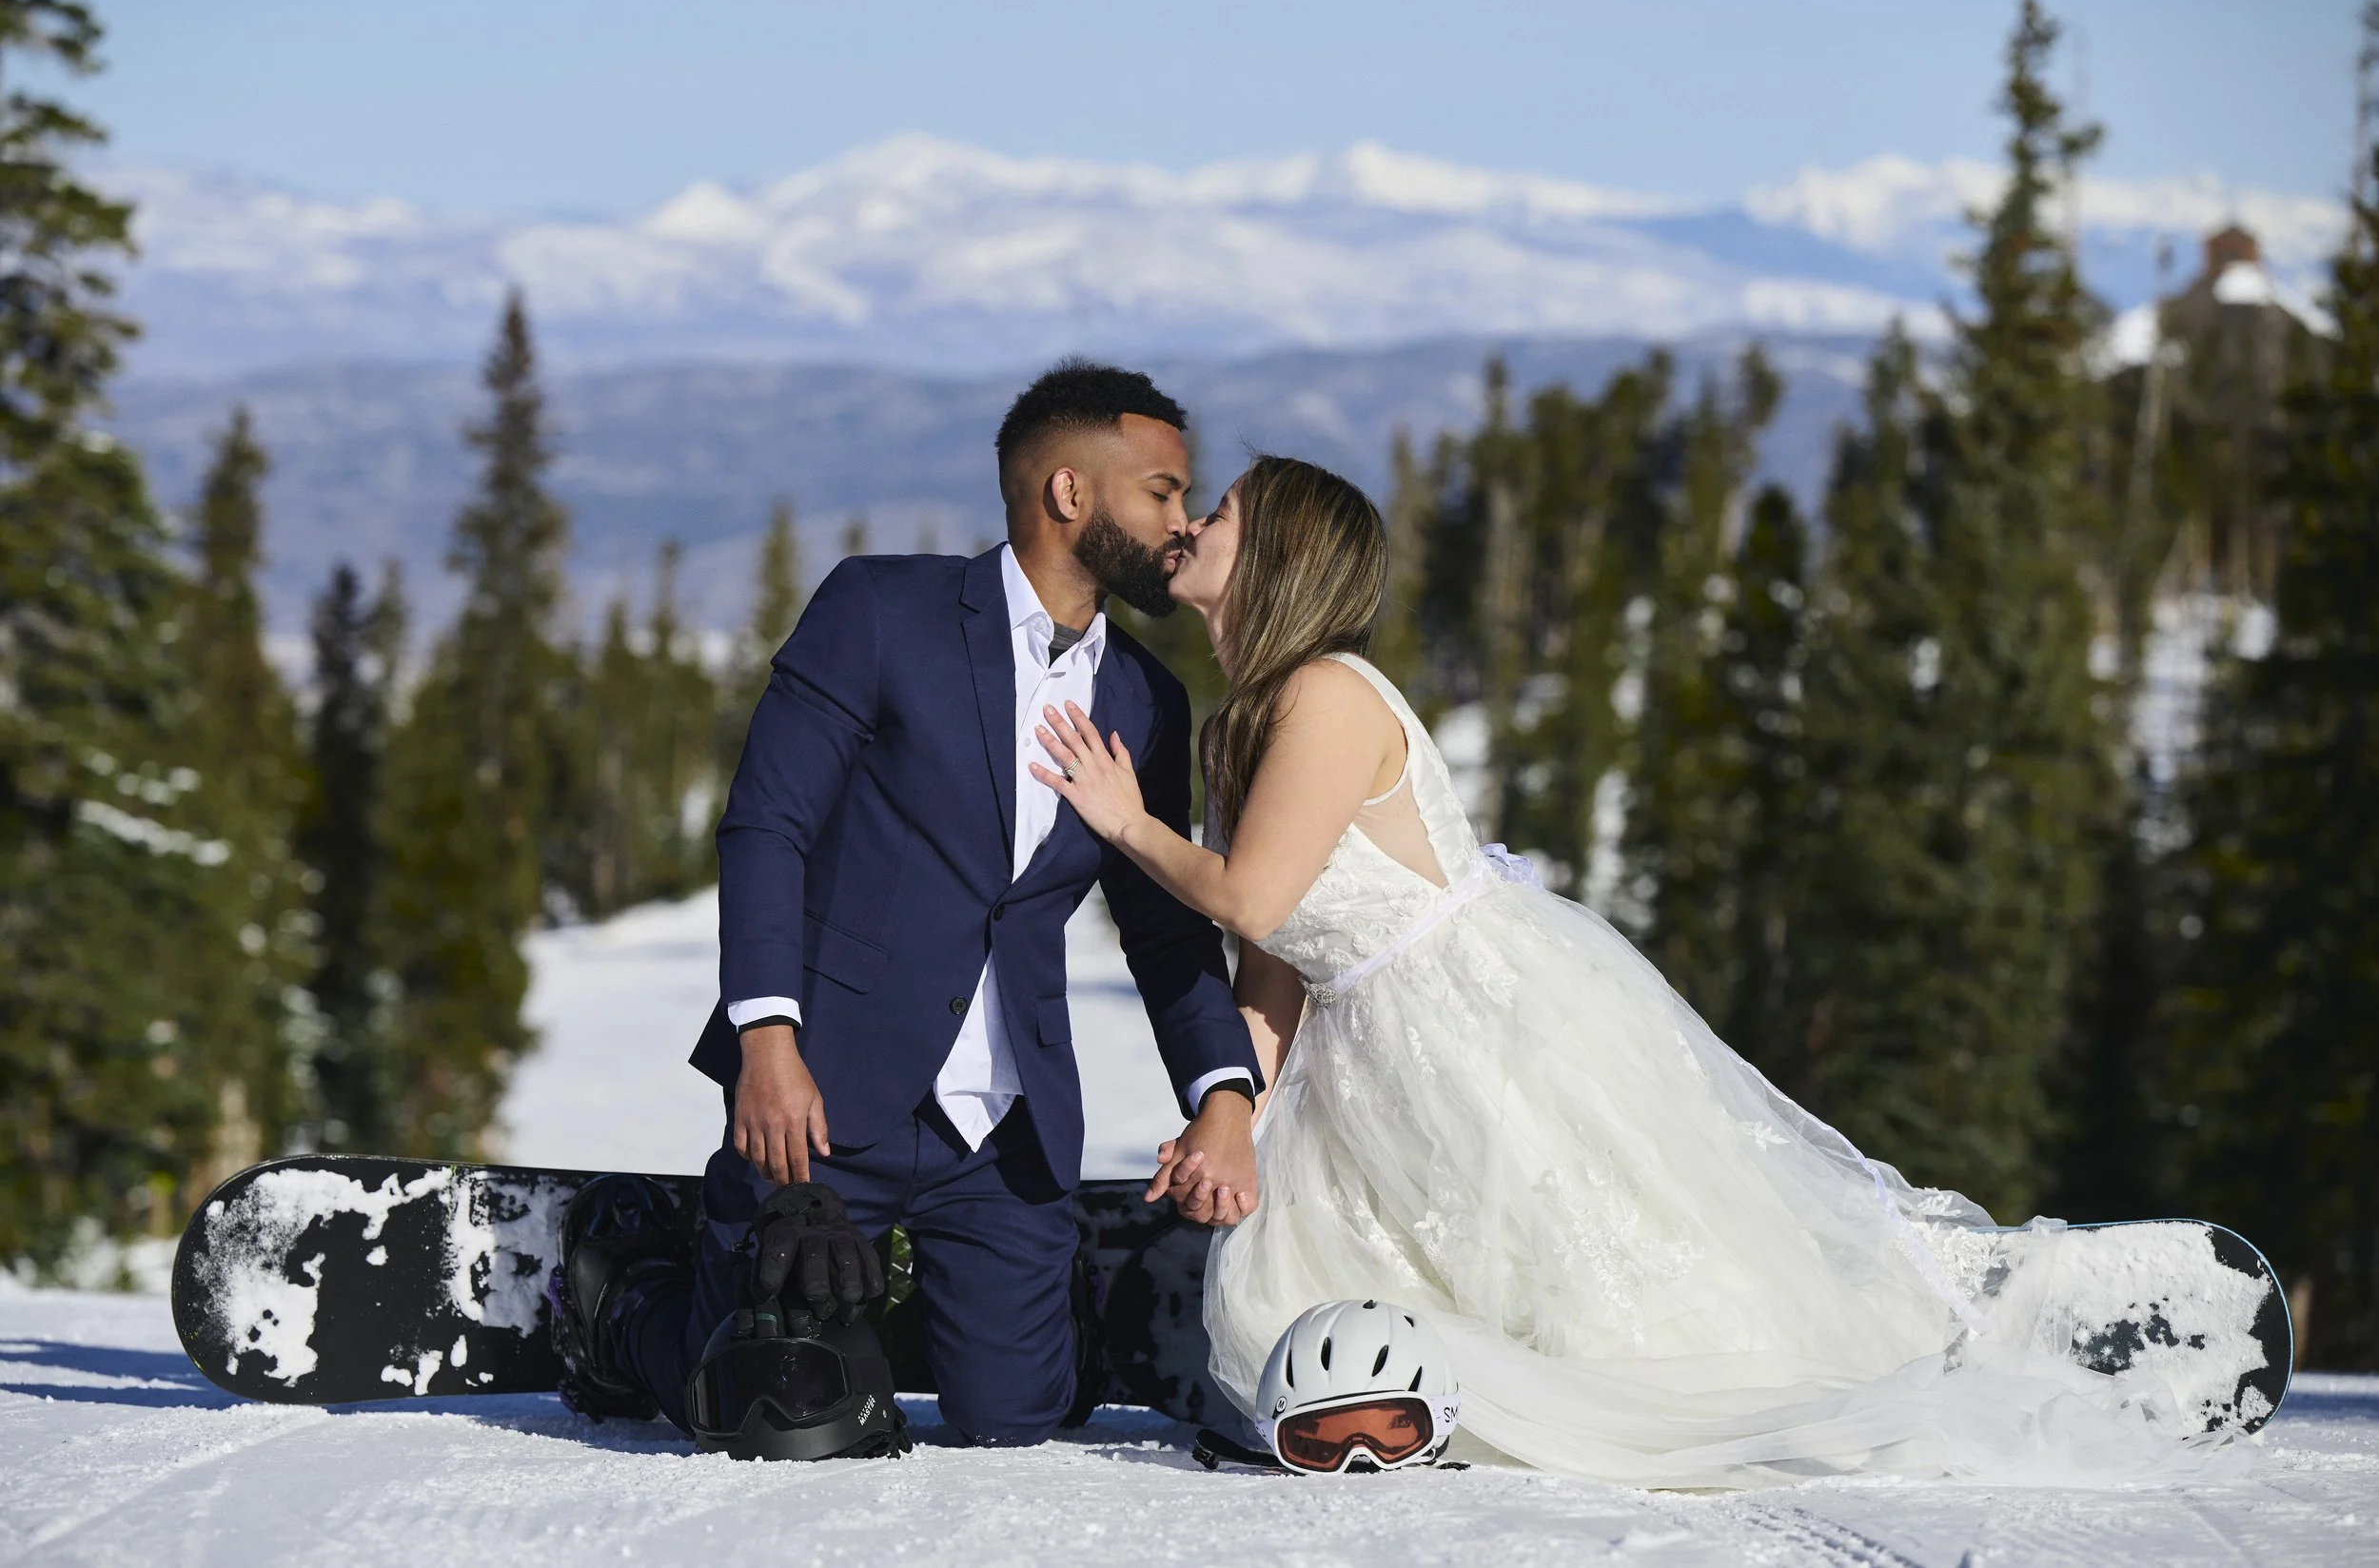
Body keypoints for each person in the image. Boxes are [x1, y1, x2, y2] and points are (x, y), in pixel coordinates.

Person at [1030, 454, 2247, 1487]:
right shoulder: (1251, 713)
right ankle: (1389, 1410)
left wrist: (1128, 824)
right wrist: (1235, 1106)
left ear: (1280, 553)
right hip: (1374, 1051)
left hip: (1476, 1021)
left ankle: (1992, 1328)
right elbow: (1277, 955)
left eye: (1225, 510)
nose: (1194, 523)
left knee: (1613, 1284)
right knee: (1356, 1276)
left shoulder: (1327, 694)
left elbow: (1249, 896)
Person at [552, 362, 1263, 1447]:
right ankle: (626, 1301)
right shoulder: (883, 611)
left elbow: (1163, 926)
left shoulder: (1146, 701)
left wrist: (1222, 1090)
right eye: (1161, 491)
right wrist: (768, 1041)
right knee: (762, 1410)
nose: (1181, 520)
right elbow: (766, 827)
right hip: (823, 1097)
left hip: (1006, 1131)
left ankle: (892, 1327)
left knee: (1018, 1420)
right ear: (1069, 493)